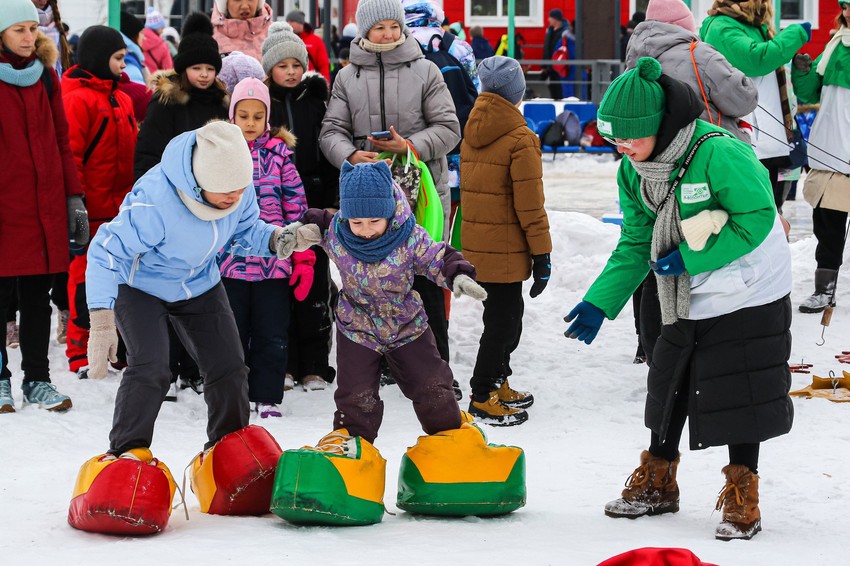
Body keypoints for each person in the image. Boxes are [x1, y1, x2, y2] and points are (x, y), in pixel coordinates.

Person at [564, 57, 793, 541]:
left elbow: (756, 217)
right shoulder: (635, 170)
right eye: (614, 140)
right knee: (668, 379)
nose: (622, 148)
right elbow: (635, 240)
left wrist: (689, 258)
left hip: (748, 285)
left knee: (738, 386)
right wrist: (599, 302)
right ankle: (659, 481)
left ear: (661, 126)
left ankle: (742, 492)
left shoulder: (719, 152)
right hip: (683, 285)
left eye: (630, 137)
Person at [85, 121, 296, 458]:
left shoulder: (237, 190)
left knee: (228, 366)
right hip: (141, 286)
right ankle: (127, 453)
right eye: (226, 190)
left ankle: (228, 450)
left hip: (199, 281)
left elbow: (245, 230)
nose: (235, 197)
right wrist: (101, 320)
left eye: (240, 189)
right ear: (199, 181)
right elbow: (106, 251)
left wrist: (276, 239)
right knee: (151, 367)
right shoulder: (156, 202)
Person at [278, 161, 487, 448]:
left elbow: (437, 255)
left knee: (433, 386)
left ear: (389, 211)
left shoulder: (409, 237)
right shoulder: (338, 233)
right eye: (357, 222)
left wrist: (458, 275)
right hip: (358, 329)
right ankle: (351, 448)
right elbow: (313, 224)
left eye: (374, 221)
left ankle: (450, 442)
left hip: (406, 326)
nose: (365, 230)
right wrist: (292, 235)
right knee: (355, 396)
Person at [322, 0, 461, 397]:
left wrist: (409, 145)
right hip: (366, 201)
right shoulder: (347, 77)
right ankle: (383, 365)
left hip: (419, 194)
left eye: (392, 26)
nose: (386, 34)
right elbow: (331, 129)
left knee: (425, 278)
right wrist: (349, 154)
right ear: (363, 32)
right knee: (369, 280)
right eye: (377, 28)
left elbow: (450, 128)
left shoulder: (427, 71)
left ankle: (438, 372)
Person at [625, 0, 760, 364]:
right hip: (701, 159)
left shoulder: (635, 54)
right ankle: (695, 336)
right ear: (686, 24)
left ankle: (647, 342)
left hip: (649, 166)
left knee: (654, 244)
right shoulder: (700, 53)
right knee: (701, 241)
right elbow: (743, 98)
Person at [0, 0, 88, 413]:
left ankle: (37, 379)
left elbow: (60, 141)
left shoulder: (47, 78)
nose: (28, 37)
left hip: (44, 206)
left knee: (37, 298)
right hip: (4, 205)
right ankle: (0, 379)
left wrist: (73, 198)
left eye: (31, 29)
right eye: (18, 29)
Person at [134, 12, 228, 392]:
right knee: (168, 288)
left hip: (210, 207)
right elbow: (147, 154)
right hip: (171, 205)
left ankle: (195, 366)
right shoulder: (165, 102)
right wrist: (153, 200)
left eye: (209, 67)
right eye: (196, 67)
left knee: (202, 289)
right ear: (182, 68)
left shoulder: (221, 104)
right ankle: (168, 367)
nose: (203, 74)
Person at [460, 57, 551, 426]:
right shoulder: (519, 138)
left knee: (502, 318)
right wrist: (542, 253)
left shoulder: (473, 129)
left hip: (480, 245)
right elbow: (531, 204)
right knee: (503, 323)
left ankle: (499, 380)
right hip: (508, 249)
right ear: (518, 93)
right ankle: (482, 394)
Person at [219, 78, 311, 417]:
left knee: (272, 333)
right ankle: (235, 393)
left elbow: (296, 207)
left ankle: (267, 394)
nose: (250, 123)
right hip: (230, 264)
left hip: (274, 264)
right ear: (233, 116)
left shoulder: (280, 156)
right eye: (243, 115)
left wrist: (302, 258)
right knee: (233, 335)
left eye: (258, 116)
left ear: (267, 118)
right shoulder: (221, 154)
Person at [262, 21, 339, 391]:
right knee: (281, 285)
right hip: (274, 206)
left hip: (314, 200)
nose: (291, 72)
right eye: (283, 66)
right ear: (269, 69)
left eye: (297, 64)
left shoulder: (316, 101)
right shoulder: (263, 105)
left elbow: (329, 153)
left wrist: (332, 200)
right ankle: (287, 362)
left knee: (314, 286)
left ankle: (315, 364)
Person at [61, 25, 137, 379]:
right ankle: (80, 350)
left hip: (120, 210)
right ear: (98, 58)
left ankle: (116, 346)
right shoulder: (77, 98)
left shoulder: (119, 97)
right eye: (118, 58)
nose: (124, 65)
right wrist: (74, 202)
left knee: (121, 280)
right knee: (84, 282)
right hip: (89, 210)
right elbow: (71, 155)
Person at [700, 0, 809, 212]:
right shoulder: (722, 26)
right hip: (747, 138)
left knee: (772, 211)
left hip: (770, 139)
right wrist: (796, 33)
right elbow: (757, 59)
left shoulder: (754, 27)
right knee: (753, 212)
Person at [792, 2, 850, 313]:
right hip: (829, 149)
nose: (849, 13)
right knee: (827, 225)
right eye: (846, 7)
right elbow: (812, 92)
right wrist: (802, 72)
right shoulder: (835, 43)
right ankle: (824, 291)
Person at [285, 10, 331, 83]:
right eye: (288, 21)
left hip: (311, 83)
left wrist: (325, 84)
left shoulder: (316, 41)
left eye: (292, 21)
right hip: (290, 82)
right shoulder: (286, 40)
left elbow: (323, 65)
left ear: (300, 23)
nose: (288, 24)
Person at [31, 0, 71, 77]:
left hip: (54, 81)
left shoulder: (56, 28)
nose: (43, 0)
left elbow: (63, 65)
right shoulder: (16, 22)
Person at [543, 8, 568, 99]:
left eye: (550, 17)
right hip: (550, 66)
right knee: (552, 88)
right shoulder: (549, 30)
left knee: (560, 88)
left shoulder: (565, 31)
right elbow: (546, 48)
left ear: (555, 18)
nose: (548, 19)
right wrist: (544, 65)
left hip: (560, 65)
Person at [119, 10, 148, 85]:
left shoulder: (128, 58)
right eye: (141, 33)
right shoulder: (129, 64)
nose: (144, 38)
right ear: (133, 35)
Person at [142, 7, 174, 74]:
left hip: (139, 79)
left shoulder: (137, 40)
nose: (162, 31)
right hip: (155, 81)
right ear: (156, 27)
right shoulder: (162, 45)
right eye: (162, 27)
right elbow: (168, 70)